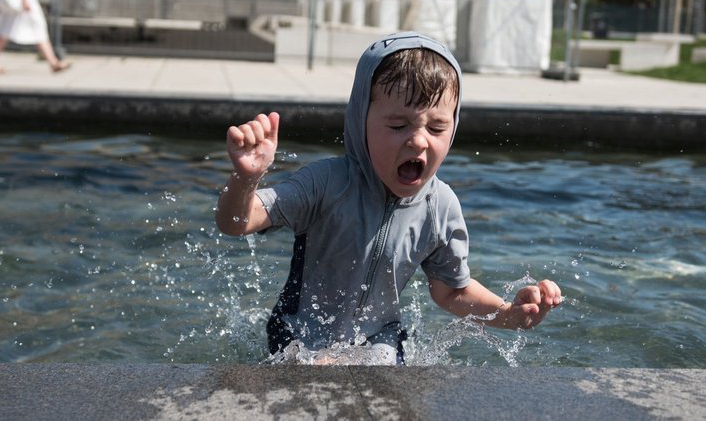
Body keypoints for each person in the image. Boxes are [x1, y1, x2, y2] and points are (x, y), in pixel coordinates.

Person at [217, 31, 563, 364]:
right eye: (398, 126)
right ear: (359, 120)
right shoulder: (326, 183)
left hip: (379, 338)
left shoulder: (440, 206)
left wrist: (509, 314)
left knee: (379, 369)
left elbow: (452, 291)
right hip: (297, 333)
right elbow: (237, 223)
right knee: (310, 370)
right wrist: (246, 179)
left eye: (437, 128)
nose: (419, 141)